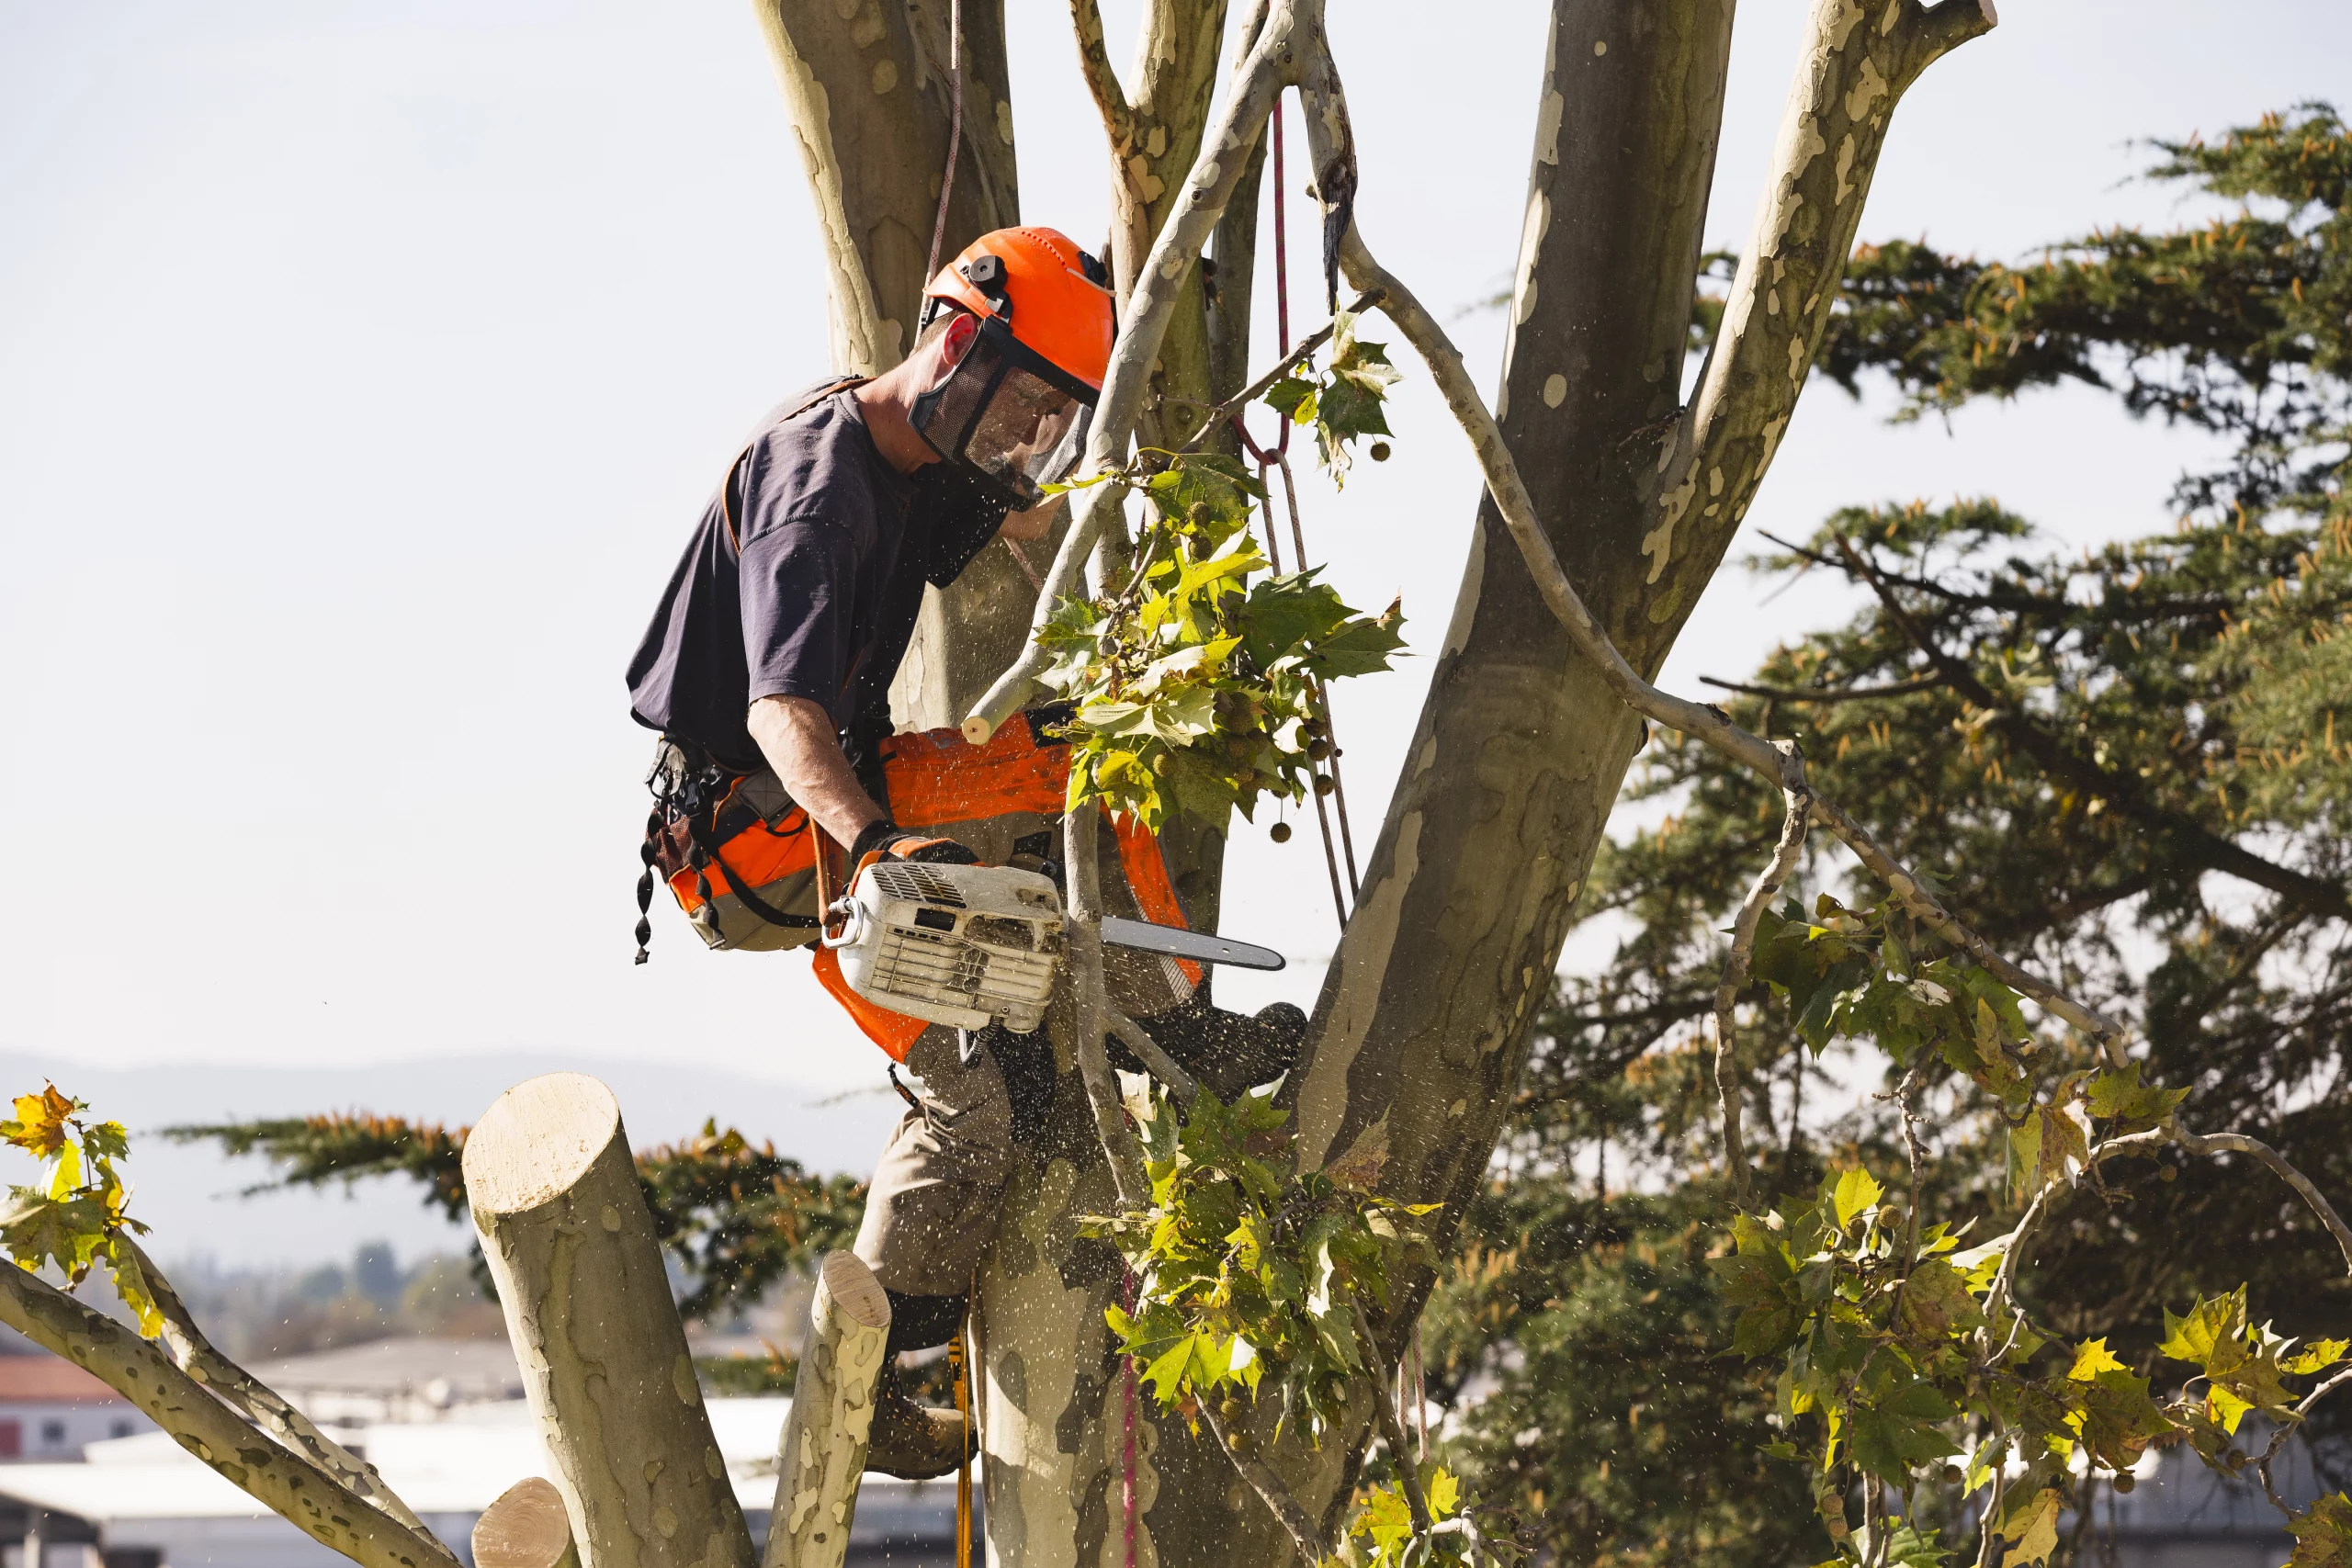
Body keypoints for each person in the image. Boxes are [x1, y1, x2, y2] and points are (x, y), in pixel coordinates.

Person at [625, 227, 1304, 1478]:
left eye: (1054, 415)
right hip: (763, 834)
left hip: (839, 798)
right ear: (954, 346)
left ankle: (1165, 1028)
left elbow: (1029, 520)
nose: (1027, 436)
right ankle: (1162, 1032)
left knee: (1063, 800)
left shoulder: (931, 449)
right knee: (996, 1011)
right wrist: (882, 844)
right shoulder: (818, 487)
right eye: (1025, 405)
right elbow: (783, 711)